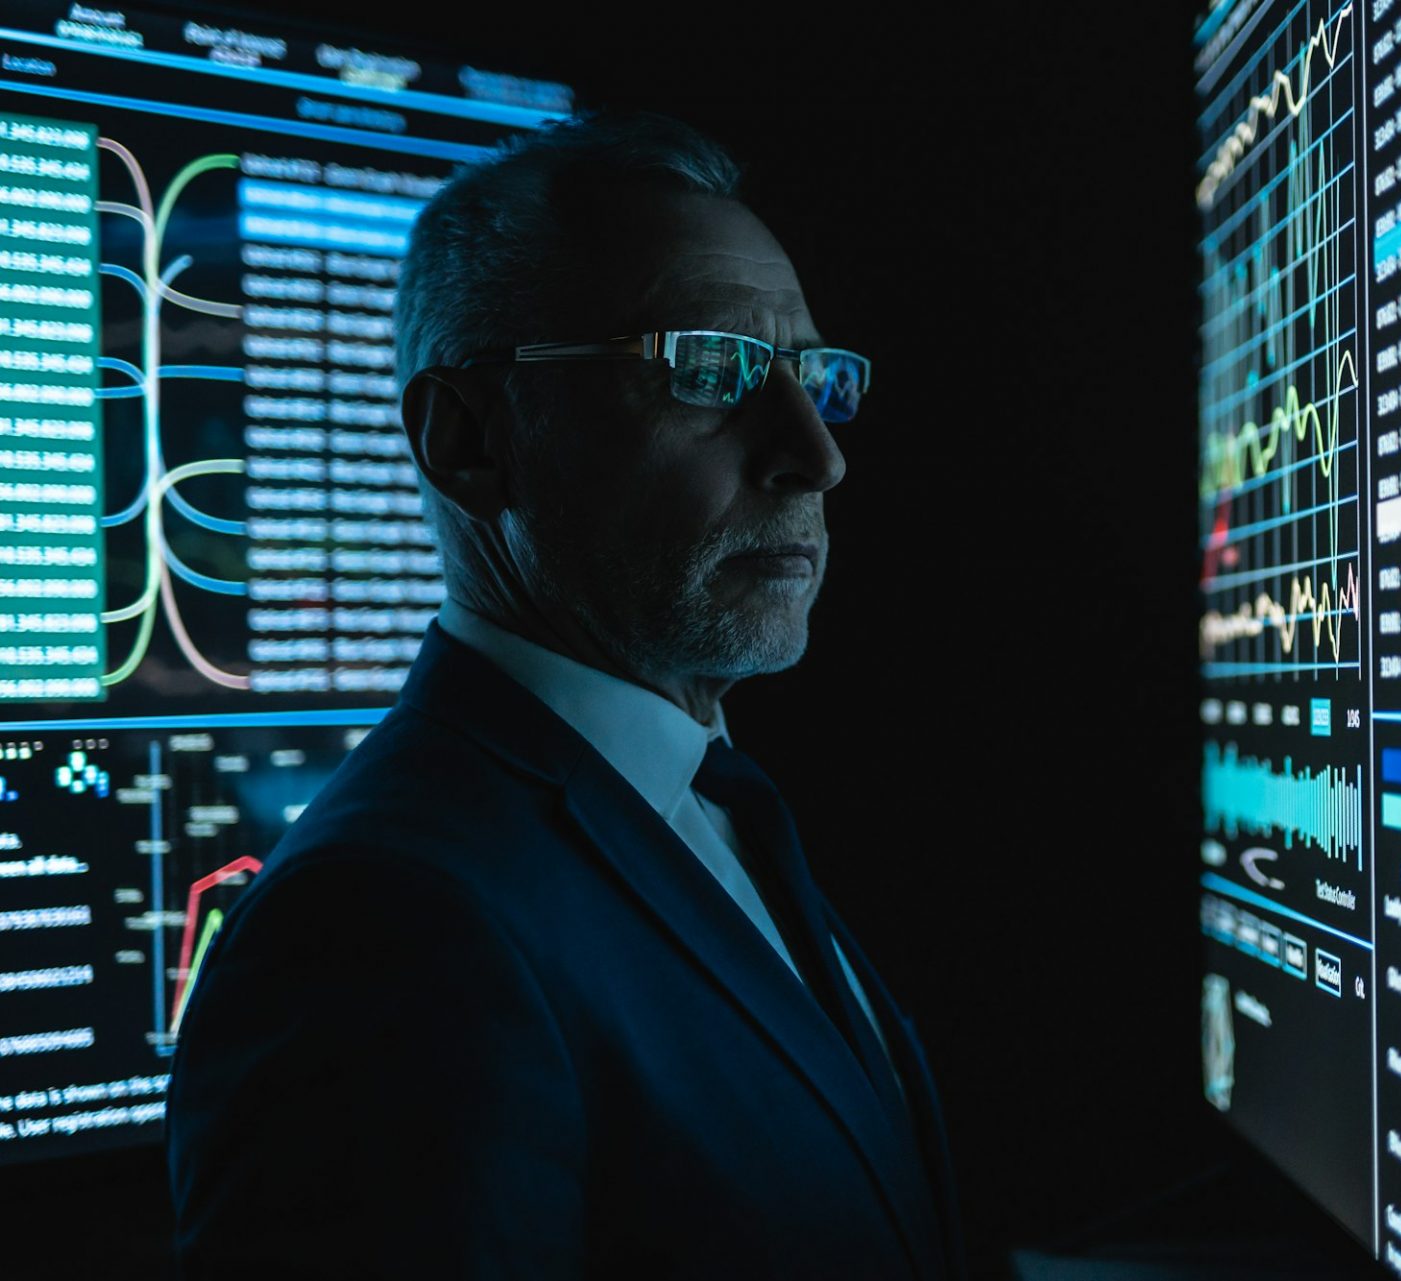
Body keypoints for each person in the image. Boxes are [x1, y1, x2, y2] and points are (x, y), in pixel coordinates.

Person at [166, 111, 962, 1280]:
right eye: (710, 368)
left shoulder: (706, 796)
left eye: (813, 377)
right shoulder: (382, 925)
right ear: (471, 441)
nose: (816, 454)